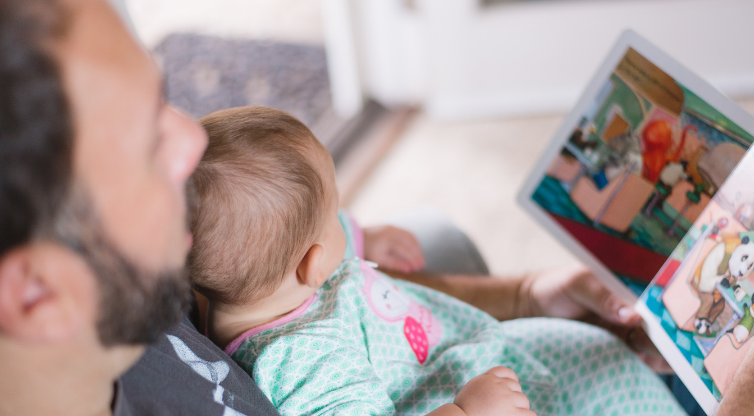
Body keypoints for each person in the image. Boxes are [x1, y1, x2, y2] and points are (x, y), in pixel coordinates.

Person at [0, 0, 754, 415]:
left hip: (482, 359)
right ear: (36, 294)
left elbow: (324, 285)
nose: (189, 140)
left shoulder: (150, 274)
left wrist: (517, 294)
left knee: (434, 235)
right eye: (144, 140)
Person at [189, 106, 686, 415]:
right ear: (312, 265)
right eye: (336, 209)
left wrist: (363, 237)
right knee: (628, 380)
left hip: (478, 354)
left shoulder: (259, 282)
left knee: (614, 353)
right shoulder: (303, 364)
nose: (344, 218)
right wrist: (468, 412)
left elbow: (313, 241)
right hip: (470, 394)